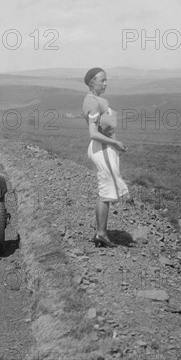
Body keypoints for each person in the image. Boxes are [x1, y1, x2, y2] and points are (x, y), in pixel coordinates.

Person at [82, 67, 129, 248]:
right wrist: (115, 143)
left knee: (106, 189)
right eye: (102, 80)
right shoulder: (91, 102)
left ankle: (101, 232)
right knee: (106, 191)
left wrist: (115, 143)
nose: (105, 83)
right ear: (92, 81)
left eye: (106, 80)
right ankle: (101, 233)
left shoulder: (98, 100)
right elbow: (93, 133)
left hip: (106, 147)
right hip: (102, 148)